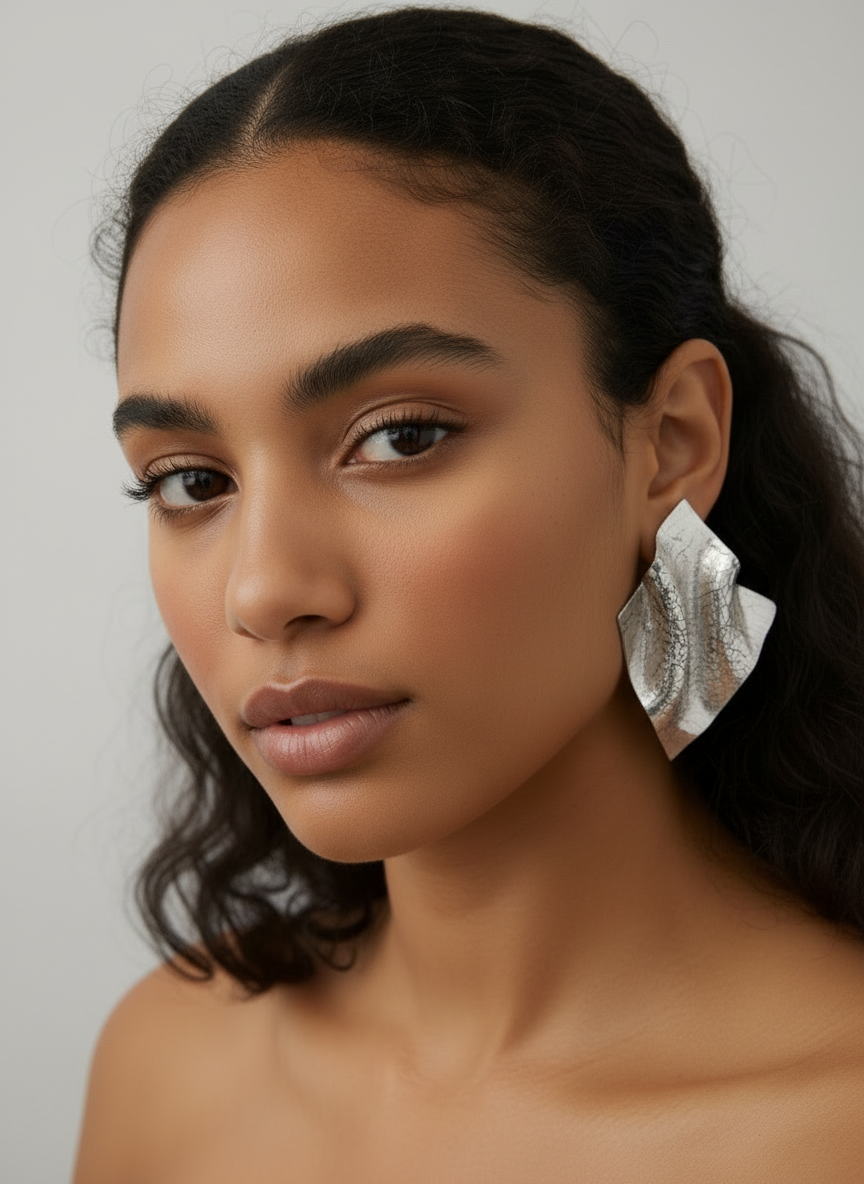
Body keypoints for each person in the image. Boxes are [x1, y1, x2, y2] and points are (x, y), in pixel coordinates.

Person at [73, 7, 864, 1180]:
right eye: (192, 479)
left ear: (674, 442)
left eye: (399, 437)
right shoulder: (169, 1062)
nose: (266, 587)